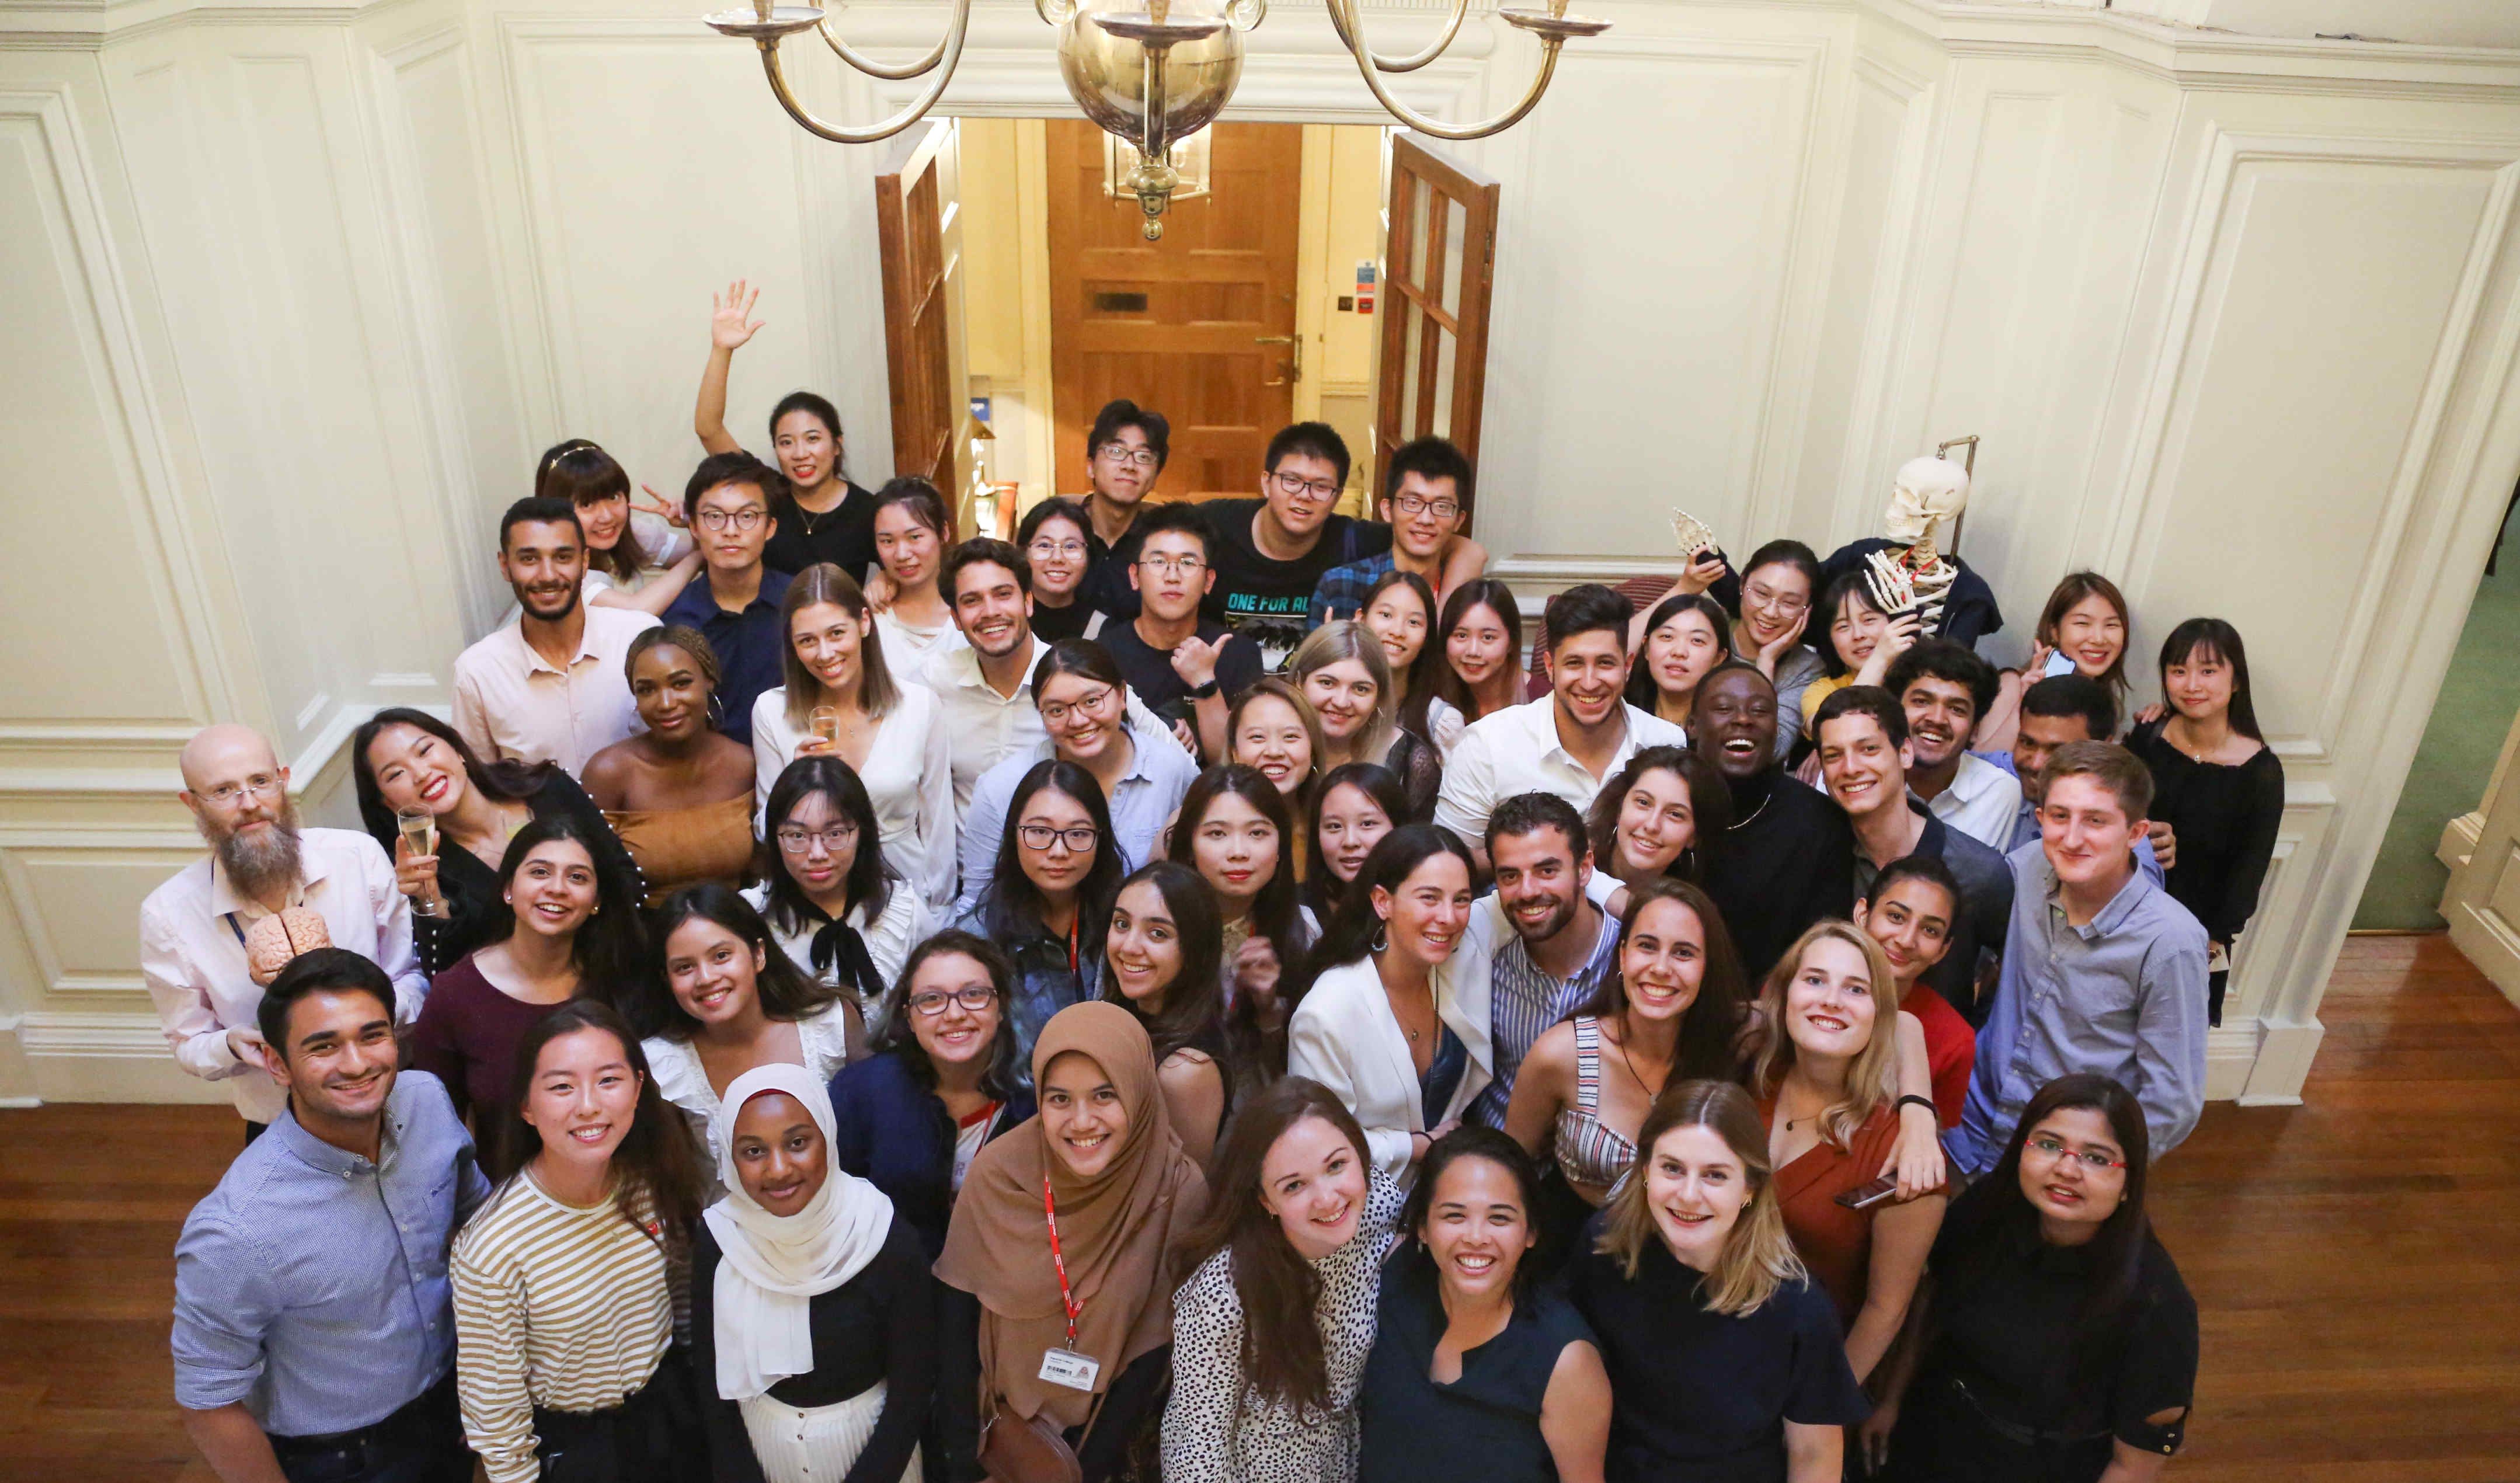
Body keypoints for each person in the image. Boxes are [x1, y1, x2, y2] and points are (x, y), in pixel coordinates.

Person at [173, 949, 488, 1483]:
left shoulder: (426, 1101)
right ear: (277, 1064)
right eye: (323, 1046)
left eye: (372, 1035)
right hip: (345, 1457)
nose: (357, 1064)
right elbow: (209, 1398)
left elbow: (480, 1220)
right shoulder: (235, 1230)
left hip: (454, 1404)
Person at [1869, 1074, 2196, 1483]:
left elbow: (2133, 1467)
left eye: (2097, 1158)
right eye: (2048, 1144)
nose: (2066, 1169)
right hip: (1932, 1427)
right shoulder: (1988, 1208)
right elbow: (1929, 1302)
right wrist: (1890, 1401)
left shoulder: (2159, 1306)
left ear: (2129, 1183)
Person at [932, 1002, 1207, 1483]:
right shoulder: (999, 1175)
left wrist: (1086, 1467)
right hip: (990, 1442)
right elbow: (957, 1313)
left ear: (1138, 1091)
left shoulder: (1176, 1191)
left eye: (1105, 1095)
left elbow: (1155, 1349)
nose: (1082, 1122)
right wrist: (964, 1454)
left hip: (1101, 1451)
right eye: (1060, 1099)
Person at [451, 1000, 709, 1483]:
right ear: (527, 1107)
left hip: (667, 1416)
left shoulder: (648, 1181)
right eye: (562, 1087)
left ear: (638, 1088)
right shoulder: (492, 1247)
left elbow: (680, 1302)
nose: (588, 1105)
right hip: (575, 1448)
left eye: (609, 1080)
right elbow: (497, 1415)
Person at [1564, 1080, 1868, 1483]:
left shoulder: (1799, 1306)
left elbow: (1814, 1455)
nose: (1689, 1195)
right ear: (1645, 1173)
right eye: (1672, 1168)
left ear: (1749, 1189)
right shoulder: (1604, 1246)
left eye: (1715, 1176)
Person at [142, 725, 424, 1132]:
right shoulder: (167, 914)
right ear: (193, 804)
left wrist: (367, 1024)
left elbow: (410, 977)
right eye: (223, 791)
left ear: (284, 780)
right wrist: (233, 1046)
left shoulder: (356, 857)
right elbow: (189, 1043)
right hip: (280, 1120)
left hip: (391, 1097)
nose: (249, 804)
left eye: (260, 782)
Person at [1951, 743, 2210, 1177]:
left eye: (2096, 820)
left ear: (2136, 833)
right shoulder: (2028, 866)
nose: (2071, 839)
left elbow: (2172, 1100)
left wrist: (2096, 1170)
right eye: (2059, 816)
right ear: (2040, 820)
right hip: (1969, 1125)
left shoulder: (2171, 941)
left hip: (2060, 1162)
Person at [691, 1064, 933, 1483]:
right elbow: (710, 1378)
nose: (780, 1169)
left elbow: (913, 1387)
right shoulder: (720, 1237)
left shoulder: (881, 1233)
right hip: (761, 1452)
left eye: (798, 1143)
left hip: (876, 1453)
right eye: (753, 1151)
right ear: (730, 1159)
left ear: (828, 1137)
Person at [1162, 1078, 1409, 1482]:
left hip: (1350, 1458)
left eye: (1336, 1166)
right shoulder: (1224, 1297)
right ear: (1265, 1201)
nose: (1328, 1199)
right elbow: (1195, 1451)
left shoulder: (1376, 1204)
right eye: (1294, 1185)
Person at [1749, 923, 1948, 1382]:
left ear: (1880, 1015)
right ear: (1785, 993)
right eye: (1815, 980)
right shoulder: (1748, 1078)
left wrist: (1818, 1411)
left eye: (1856, 989)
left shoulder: (1902, 1152)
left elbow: (1885, 1310)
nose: (1832, 999)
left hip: (1802, 1372)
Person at [1358, 1128, 1611, 1483]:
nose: (1476, 1237)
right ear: (1423, 1227)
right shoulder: (1393, 1280)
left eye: (1500, 1218)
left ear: (1530, 1233)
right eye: (1454, 1216)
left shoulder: (1567, 1361)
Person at [1503, 879, 1753, 1209]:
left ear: (1707, 968)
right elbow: (1507, 1171)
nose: (1661, 968)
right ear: (1622, 956)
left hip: (1692, 1247)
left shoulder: (1738, 1046)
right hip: (1577, 1245)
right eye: (1647, 946)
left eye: (1683, 953)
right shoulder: (1564, 1054)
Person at [354, 706, 641, 976]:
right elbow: (450, 981)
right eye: (396, 774)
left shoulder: (547, 788)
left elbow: (626, 881)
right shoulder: (419, 870)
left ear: (456, 748)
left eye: (425, 750)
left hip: (616, 967)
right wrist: (431, 902)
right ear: (388, 804)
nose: (421, 773)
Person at [409, 815, 646, 1126]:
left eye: (577, 877)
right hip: (503, 1173)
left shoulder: (620, 979)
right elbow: (434, 1125)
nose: (557, 888)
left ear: (596, 902)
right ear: (508, 888)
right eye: (540, 872)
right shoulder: (455, 995)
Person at [1287, 826, 1490, 1183]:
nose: (1449, 916)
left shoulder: (1467, 949)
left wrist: (1618, 897)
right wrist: (1417, 1147)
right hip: (1360, 1211)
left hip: (1448, 1194)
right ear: (1383, 902)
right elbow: (1317, 1145)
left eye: (1461, 899)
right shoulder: (1326, 1014)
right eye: (1429, 897)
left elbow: (1530, 887)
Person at [1433, 585, 1687, 869]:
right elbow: (1448, 860)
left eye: (1605, 663)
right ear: (1550, 667)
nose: (1590, 682)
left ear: (1628, 666)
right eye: (1575, 664)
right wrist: (1535, 857)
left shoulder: (1665, 741)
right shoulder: (1488, 744)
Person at [751, 563, 955, 910]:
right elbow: (763, 830)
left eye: (836, 633)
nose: (825, 654)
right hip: (812, 896)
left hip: (905, 890)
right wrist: (794, 784)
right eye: (807, 641)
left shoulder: (919, 706)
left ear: (863, 623)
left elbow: (939, 824)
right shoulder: (771, 711)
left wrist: (938, 909)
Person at [827, 931, 1036, 1259]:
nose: (954, 1014)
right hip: (896, 1294)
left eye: (974, 994)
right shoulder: (860, 1093)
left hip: (1002, 1289)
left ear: (1002, 1007)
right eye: (932, 1000)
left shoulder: (1034, 1100)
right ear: (908, 1016)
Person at [1811, 687, 2011, 1020]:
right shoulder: (1816, 850)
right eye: (1834, 755)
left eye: (1868, 750)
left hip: (1932, 1056)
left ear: (1905, 753)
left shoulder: (1979, 871)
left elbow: (2013, 970)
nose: (1850, 768)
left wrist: (1973, 1034)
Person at [1200, 423, 1468, 667]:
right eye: (1291, 481)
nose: (1304, 496)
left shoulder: (1354, 542)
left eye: (1321, 486)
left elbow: (1463, 548)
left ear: (1338, 496)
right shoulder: (1216, 524)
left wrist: (1445, 616)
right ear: (1266, 482)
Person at [956, 641, 1198, 911]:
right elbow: (978, 902)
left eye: (1092, 701)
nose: (1079, 721)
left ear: (1121, 695)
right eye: (1057, 710)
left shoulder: (1171, 770)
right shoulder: (1002, 786)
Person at [2125, 618, 2284, 1026]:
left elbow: (2248, 872)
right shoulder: (2148, 736)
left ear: (2236, 681)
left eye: (2208, 671)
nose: (2192, 685)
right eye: (2179, 671)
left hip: (2194, 934)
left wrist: (2209, 942)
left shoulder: (2260, 772)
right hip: (2123, 913)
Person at [638, 884, 866, 1157]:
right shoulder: (660, 1066)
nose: (706, 978)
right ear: (667, 979)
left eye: (721, 956)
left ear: (759, 954)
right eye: (685, 967)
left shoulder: (831, 1023)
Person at [453, 497, 663, 774]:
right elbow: (481, 786)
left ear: (585, 561)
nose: (548, 575)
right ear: (505, 566)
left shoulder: (639, 636)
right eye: (529, 559)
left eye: (563, 557)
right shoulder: (478, 672)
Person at [694, 283, 880, 581]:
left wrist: (887, 580)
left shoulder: (869, 510)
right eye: (786, 442)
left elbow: (907, 566)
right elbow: (708, 429)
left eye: (813, 439)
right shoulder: (767, 492)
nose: (800, 453)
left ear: (837, 445)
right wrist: (722, 350)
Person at [1460, 793, 1621, 1130]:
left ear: (1585, 868)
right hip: (1502, 1156)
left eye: (1547, 870)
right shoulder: (1486, 959)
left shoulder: (1631, 959)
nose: (1528, 891)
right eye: (1510, 876)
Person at [1691, 663, 1854, 980]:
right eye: (1724, 708)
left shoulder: (1818, 822)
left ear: (1777, 728)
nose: (1742, 719)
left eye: (1760, 711)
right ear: (1693, 725)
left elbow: (1821, 946)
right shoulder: (1663, 802)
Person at [746, 756, 931, 1035]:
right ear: (775, 838)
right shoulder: (751, 915)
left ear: (862, 833)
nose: (817, 854)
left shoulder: (904, 911)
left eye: (835, 833)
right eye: (797, 836)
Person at [952, 759, 1123, 1059]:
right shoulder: (974, 940)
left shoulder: (1123, 924)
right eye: (1040, 832)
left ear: (1101, 838)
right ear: (1013, 835)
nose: (1059, 851)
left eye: (1079, 834)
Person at [584, 626, 758, 904]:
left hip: (734, 933)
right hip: (643, 937)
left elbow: (763, 876)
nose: (665, 703)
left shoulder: (745, 765)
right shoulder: (609, 773)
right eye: (647, 690)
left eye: (680, 684)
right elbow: (592, 883)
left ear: (709, 680)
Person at [1168, 766, 1319, 1057]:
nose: (1238, 851)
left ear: (1280, 847)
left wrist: (1269, 1009)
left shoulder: (1305, 929)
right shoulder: (1154, 924)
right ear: (1189, 845)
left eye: (1257, 833)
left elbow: (1304, 1068)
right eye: (1217, 833)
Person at [1098, 502, 1265, 760]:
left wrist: (1204, 683)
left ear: (1209, 581)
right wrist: (1148, 747)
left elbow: (1237, 763)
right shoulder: (1104, 655)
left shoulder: (1238, 653)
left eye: (1187, 563)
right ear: (1134, 577)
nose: (1172, 576)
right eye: (1158, 561)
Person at [663, 450, 798, 748]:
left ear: (771, 527)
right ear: (694, 528)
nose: (731, 531)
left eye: (747, 516)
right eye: (714, 517)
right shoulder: (674, 620)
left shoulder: (801, 605)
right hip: (707, 778)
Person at [1101, 861, 1234, 1165]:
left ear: (1194, 949)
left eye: (1158, 934)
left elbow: (1181, 1196)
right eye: (1122, 924)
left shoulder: (1187, 1070)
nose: (1130, 947)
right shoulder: (1119, 1017)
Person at [1306, 433, 1487, 625]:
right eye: (1413, 502)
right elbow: (1314, 655)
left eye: (1442, 506)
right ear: (1387, 510)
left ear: (1459, 520)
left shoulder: (1470, 597)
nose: (1426, 519)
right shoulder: (1341, 586)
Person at [1851, 857, 1978, 1127]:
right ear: (1863, 915)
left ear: (1943, 950)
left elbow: (1932, 1142)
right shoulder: (1802, 989)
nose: (1907, 940)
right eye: (1896, 917)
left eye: (1930, 930)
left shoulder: (1954, 1040)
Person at [1294, 619, 1442, 821]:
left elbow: (1415, 850)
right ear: (1299, 682)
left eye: (1360, 689)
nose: (1341, 702)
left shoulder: (1410, 760)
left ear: (1379, 698)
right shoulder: (1271, 747)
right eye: (1327, 683)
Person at [1883, 640, 2021, 852]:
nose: (1938, 719)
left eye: (1957, 709)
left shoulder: (1998, 793)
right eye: (1922, 701)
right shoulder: (1864, 775)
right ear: (1894, 710)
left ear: (1975, 729)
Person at [538, 438, 704, 615]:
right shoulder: (557, 568)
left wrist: (694, 525)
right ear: (557, 510)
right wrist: (702, 554)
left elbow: (700, 556)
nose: (607, 517)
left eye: (613, 497)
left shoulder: (630, 532)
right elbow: (636, 612)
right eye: (587, 505)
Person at [1978, 572, 2133, 753]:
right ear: (2055, 631)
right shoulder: (2015, 685)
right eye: (2083, 623)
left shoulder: (2106, 706)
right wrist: (2025, 702)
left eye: (2111, 625)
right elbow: (1983, 761)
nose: (2099, 639)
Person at [1583, 744, 1731, 898]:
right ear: (1620, 808)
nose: (1652, 825)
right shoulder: (1573, 857)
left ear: (1694, 836)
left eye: (1675, 814)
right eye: (1643, 803)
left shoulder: (1694, 905)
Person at [1726, 540, 1826, 758]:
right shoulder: (1707, 630)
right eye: (1761, 594)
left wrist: (1766, 661)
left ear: (1807, 609)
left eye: (1789, 603)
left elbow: (1771, 751)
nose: (1771, 612)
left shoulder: (1806, 667)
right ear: (1743, 584)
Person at [1074, 399, 1172, 617]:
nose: (1129, 466)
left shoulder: (1163, 543)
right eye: (1116, 451)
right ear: (1091, 466)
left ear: (1156, 476)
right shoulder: (1061, 534)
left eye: (1144, 457)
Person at [1795, 570, 1921, 729]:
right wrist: (1879, 659)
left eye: (1869, 620)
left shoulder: (1919, 683)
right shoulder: (1821, 692)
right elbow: (1833, 732)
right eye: (1843, 626)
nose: (1858, 635)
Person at [865, 479, 965, 670]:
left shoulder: (971, 609)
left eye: (915, 537)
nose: (902, 554)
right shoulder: (870, 620)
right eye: (887, 541)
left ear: (943, 532)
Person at [1423, 579, 1525, 761]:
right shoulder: (1431, 704)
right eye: (1461, 636)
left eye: (1488, 638)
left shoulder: (1541, 699)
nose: (1473, 652)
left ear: (1512, 642)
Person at [1622, 592, 1734, 737]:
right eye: (1667, 637)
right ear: (1647, 648)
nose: (1679, 652)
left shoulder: (1729, 728)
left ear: (1719, 658)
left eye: (1697, 640)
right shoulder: (1621, 718)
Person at [1306, 760, 1405, 922]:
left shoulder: (1421, 909)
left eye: (1367, 824)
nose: (1350, 842)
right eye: (1335, 826)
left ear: (1398, 827)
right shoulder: (1297, 912)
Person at [1360, 569, 1449, 744]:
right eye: (1386, 615)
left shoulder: (1441, 721)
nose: (1397, 632)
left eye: (1414, 622)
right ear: (1361, 620)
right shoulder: (1336, 702)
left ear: (1427, 637)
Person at [1230, 676, 1328, 820]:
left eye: (1290, 736)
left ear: (1313, 750)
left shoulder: (1333, 824)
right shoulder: (1207, 822)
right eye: (1257, 737)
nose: (1274, 752)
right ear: (1235, 753)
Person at [1017, 496, 1107, 643]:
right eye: (1044, 546)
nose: (1057, 558)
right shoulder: (1007, 621)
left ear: (1088, 556)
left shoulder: (1103, 631)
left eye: (1071, 546)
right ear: (1023, 553)